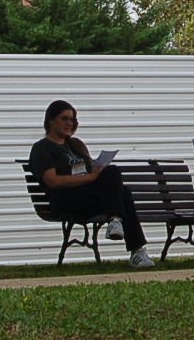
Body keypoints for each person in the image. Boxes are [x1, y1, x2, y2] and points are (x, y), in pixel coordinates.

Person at [29, 100, 155, 269]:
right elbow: (53, 181)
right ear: (51, 120)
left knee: (121, 187)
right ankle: (128, 238)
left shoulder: (75, 145)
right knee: (118, 185)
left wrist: (97, 170)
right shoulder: (42, 148)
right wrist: (90, 178)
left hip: (87, 197)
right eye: (64, 119)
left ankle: (130, 242)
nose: (69, 123)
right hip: (65, 200)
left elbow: (89, 172)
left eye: (72, 120)